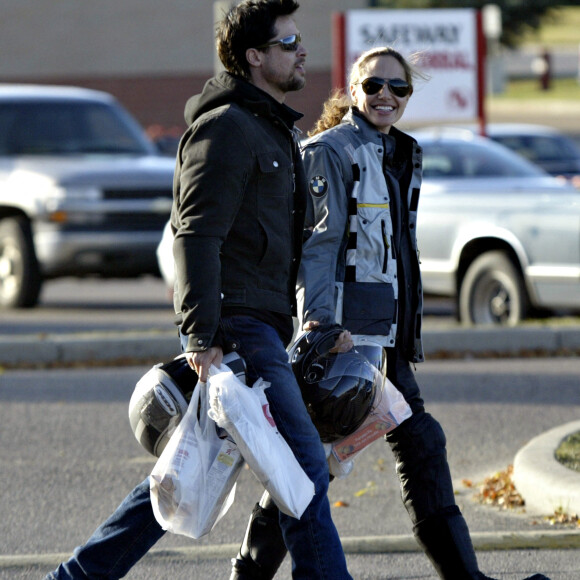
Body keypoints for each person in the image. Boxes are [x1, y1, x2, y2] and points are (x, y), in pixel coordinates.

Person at [44, 2, 352, 579]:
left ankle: (74, 578)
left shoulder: (270, 127)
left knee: (187, 473)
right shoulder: (226, 128)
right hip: (236, 328)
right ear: (256, 56)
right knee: (303, 460)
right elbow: (194, 234)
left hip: (260, 326)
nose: (302, 50)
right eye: (289, 43)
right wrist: (201, 334)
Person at [229, 46, 551, 580]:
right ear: (353, 91)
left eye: (397, 88)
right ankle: (249, 572)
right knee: (315, 464)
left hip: (387, 340)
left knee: (403, 448)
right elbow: (320, 246)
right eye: (373, 85)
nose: (385, 96)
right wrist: (323, 330)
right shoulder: (331, 151)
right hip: (346, 342)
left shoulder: (401, 151)